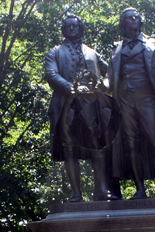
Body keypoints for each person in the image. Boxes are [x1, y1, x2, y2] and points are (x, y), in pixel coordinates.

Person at [106, 7, 155, 199]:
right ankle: (139, 189)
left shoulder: (154, 44)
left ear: (140, 22)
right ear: (122, 24)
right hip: (124, 101)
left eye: (136, 17)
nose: (134, 20)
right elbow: (110, 78)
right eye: (129, 18)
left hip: (148, 99)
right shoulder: (116, 48)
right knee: (131, 144)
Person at [45, 14, 117, 202]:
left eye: (75, 26)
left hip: (91, 106)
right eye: (67, 26)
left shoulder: (92, 52)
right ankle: (76, 193)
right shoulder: (55, 52)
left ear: (81, 28)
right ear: (63, 30)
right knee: (69, 148)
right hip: (66, 105)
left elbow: (110, 71)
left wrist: (105, 85)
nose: (71, 28)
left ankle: (101, 189)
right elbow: (51, 74)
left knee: (97, 146)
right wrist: (73, 88)